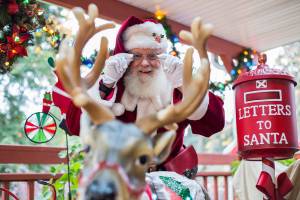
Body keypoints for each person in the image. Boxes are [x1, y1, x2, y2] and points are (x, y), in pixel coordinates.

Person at [56, 16, 225, 178]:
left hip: (169, 182)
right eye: (137, 56)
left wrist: (184, 84)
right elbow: (74, 125)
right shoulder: (111, 86)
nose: (145, 63)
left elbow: (214, 123)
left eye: (153, 56)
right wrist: (106, 85)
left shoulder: (175, 88)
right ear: (123, 57)